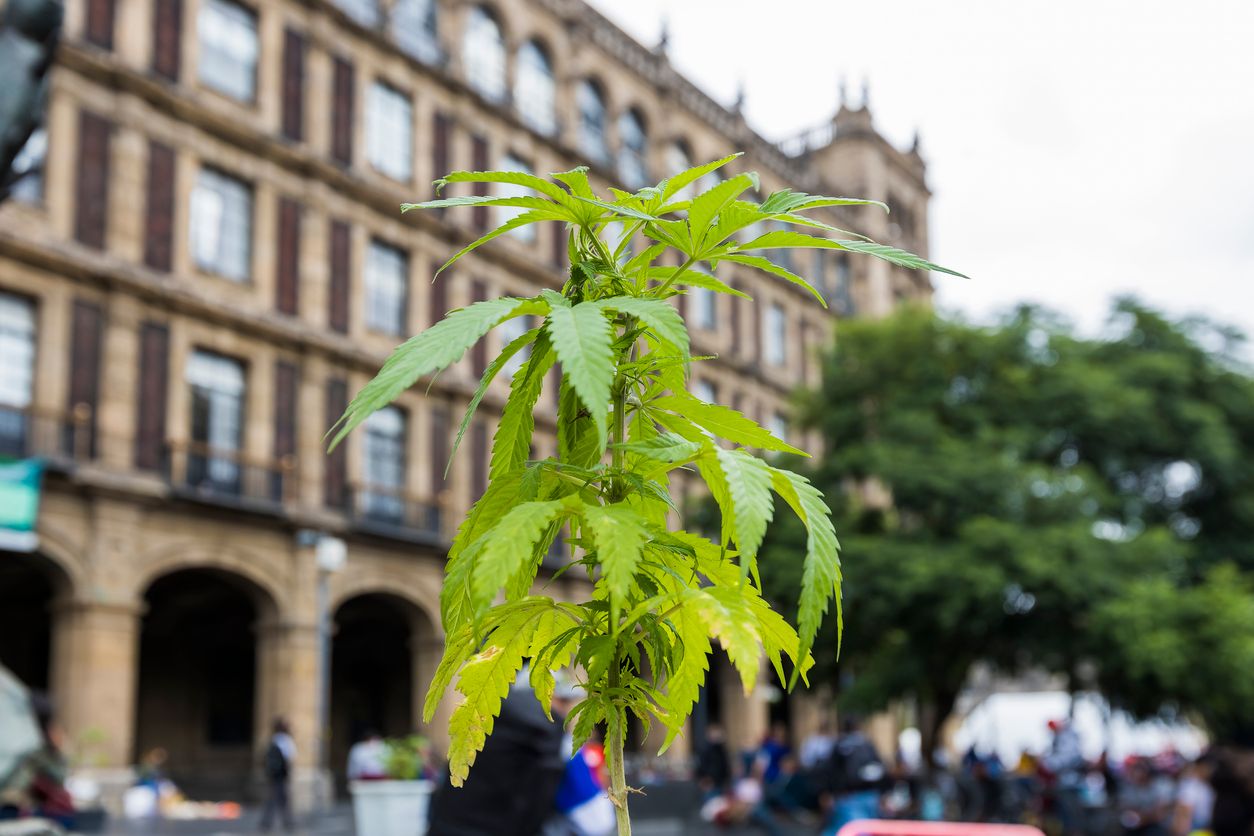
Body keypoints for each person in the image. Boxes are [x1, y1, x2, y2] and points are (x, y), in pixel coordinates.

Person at [428, 680, 570, 836]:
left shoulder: (494, 712)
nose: (567, 710)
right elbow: (595, 821)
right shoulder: (541, 727)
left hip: (449, 825)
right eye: (563, 701)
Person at [821, 718, 886, 836]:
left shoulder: (841, 744)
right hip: (869, 796)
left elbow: (829, 770)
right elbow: (880, 768)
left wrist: (827, 792)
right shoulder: (866, 743)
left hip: (849, 797)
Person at [259, 718, 295, 832]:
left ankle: (267, 822)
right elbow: (289, 757)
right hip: (281, 775)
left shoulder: (273, 739)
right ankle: (286, 822)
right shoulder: (285, 740)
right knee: (282, 799)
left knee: (273, 798)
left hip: (273, 775)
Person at [1173, 756, 1215, 836]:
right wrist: (1182, 831)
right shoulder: (1191, 787)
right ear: (1199, 767)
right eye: (1208, 767)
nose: (1210, 771)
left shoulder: (1206, 784)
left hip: (1204, 828)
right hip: (1194, 828)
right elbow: (1184, 812)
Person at [694, 724, 732, 797]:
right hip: (710, 783)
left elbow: (725, 766)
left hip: (720, 784)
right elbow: (701, 766)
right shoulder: (706, 750)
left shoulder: (722, 750)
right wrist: (703, 780)